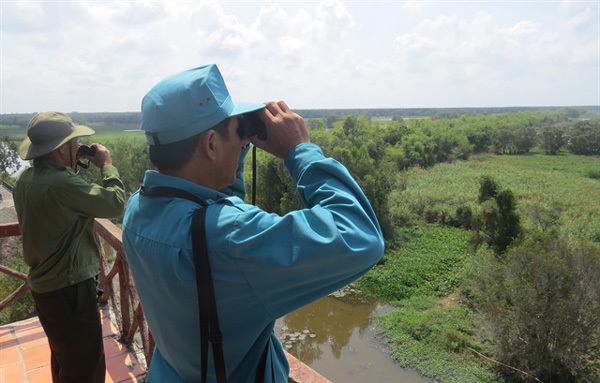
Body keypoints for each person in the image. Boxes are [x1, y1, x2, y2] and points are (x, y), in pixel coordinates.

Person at [122, 64, 384, 382]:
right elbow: (361, 236)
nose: (241, 138)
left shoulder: (139, 208)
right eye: (236, 131)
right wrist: (301, 151)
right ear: (210, 145)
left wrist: (236, 148)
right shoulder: (231, 240)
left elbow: (211, 206)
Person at [13, 111, 126, 383]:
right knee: (87, 370)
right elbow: (115, 203)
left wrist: (73, 162)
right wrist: (106, 165)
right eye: (75, 143)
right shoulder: (62, 183)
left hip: (45, 288)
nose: (78, 147)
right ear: (63, 148)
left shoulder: (25, 180)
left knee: (65, 359)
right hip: (70, 290)